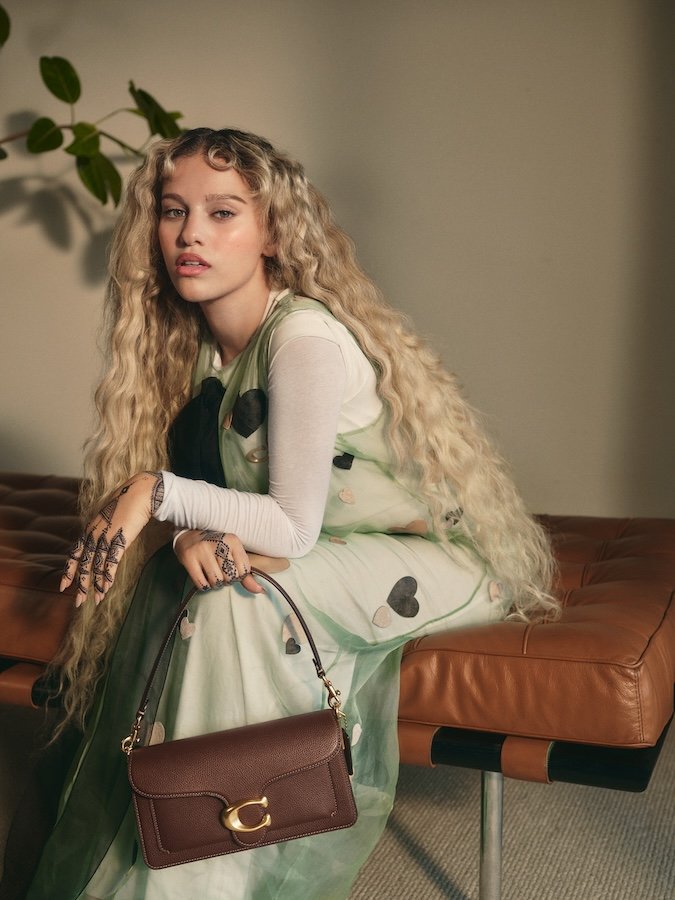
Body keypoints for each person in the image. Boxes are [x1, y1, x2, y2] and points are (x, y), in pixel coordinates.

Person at [24, 127, 557, 900]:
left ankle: (204, 873)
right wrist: (191, 531)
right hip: (334, 548)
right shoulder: (201, 353)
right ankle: (194, 844)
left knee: (236, 604)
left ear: (271, 231)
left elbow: (291, 528)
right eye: (173, 211)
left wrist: (154, 493)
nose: (190, 234)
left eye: (222, 213)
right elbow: (238, 506)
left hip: (440, 562)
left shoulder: (301, 337)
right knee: (205, 585)